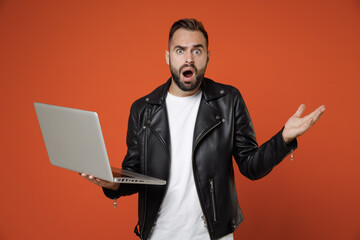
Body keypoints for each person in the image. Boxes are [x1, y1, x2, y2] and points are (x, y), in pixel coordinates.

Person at [81, 18, 325, 240]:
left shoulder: (228, 100)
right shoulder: (143, 110)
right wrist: (113, 184)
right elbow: (135, 174)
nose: (189, 59)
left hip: (212, 235)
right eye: (180, 50)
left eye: (196, 50)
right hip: (158, 234)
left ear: (208, 56)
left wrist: (283, 139)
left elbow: (251, 166)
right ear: (167, 57)